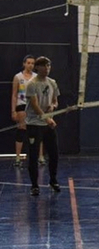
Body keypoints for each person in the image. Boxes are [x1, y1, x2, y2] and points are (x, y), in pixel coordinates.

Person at [24, 56, 60, 196]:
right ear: (37, 68)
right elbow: (34, 105)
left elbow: (56, 101)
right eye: (44, 66)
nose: (47, 69)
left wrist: (53, 106)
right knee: (33, 156)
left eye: (49, 66)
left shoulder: (52, 83)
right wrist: (47, 119)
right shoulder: (32, 84)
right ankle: (34, 185)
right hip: (34, 124)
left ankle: (53, 180)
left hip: (48, 123)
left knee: (54, 153)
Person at [11, 55, 43, 167]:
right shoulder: (18, 77)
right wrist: (13, 111)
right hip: (22, 106)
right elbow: (14, 95)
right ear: (24, 64)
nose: (30, 65)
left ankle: (40, 157)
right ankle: (18, 158)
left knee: (38, 131)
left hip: (34, 106)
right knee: (21, 130)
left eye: (32, 63)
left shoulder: (37, 77)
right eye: (28, 63)